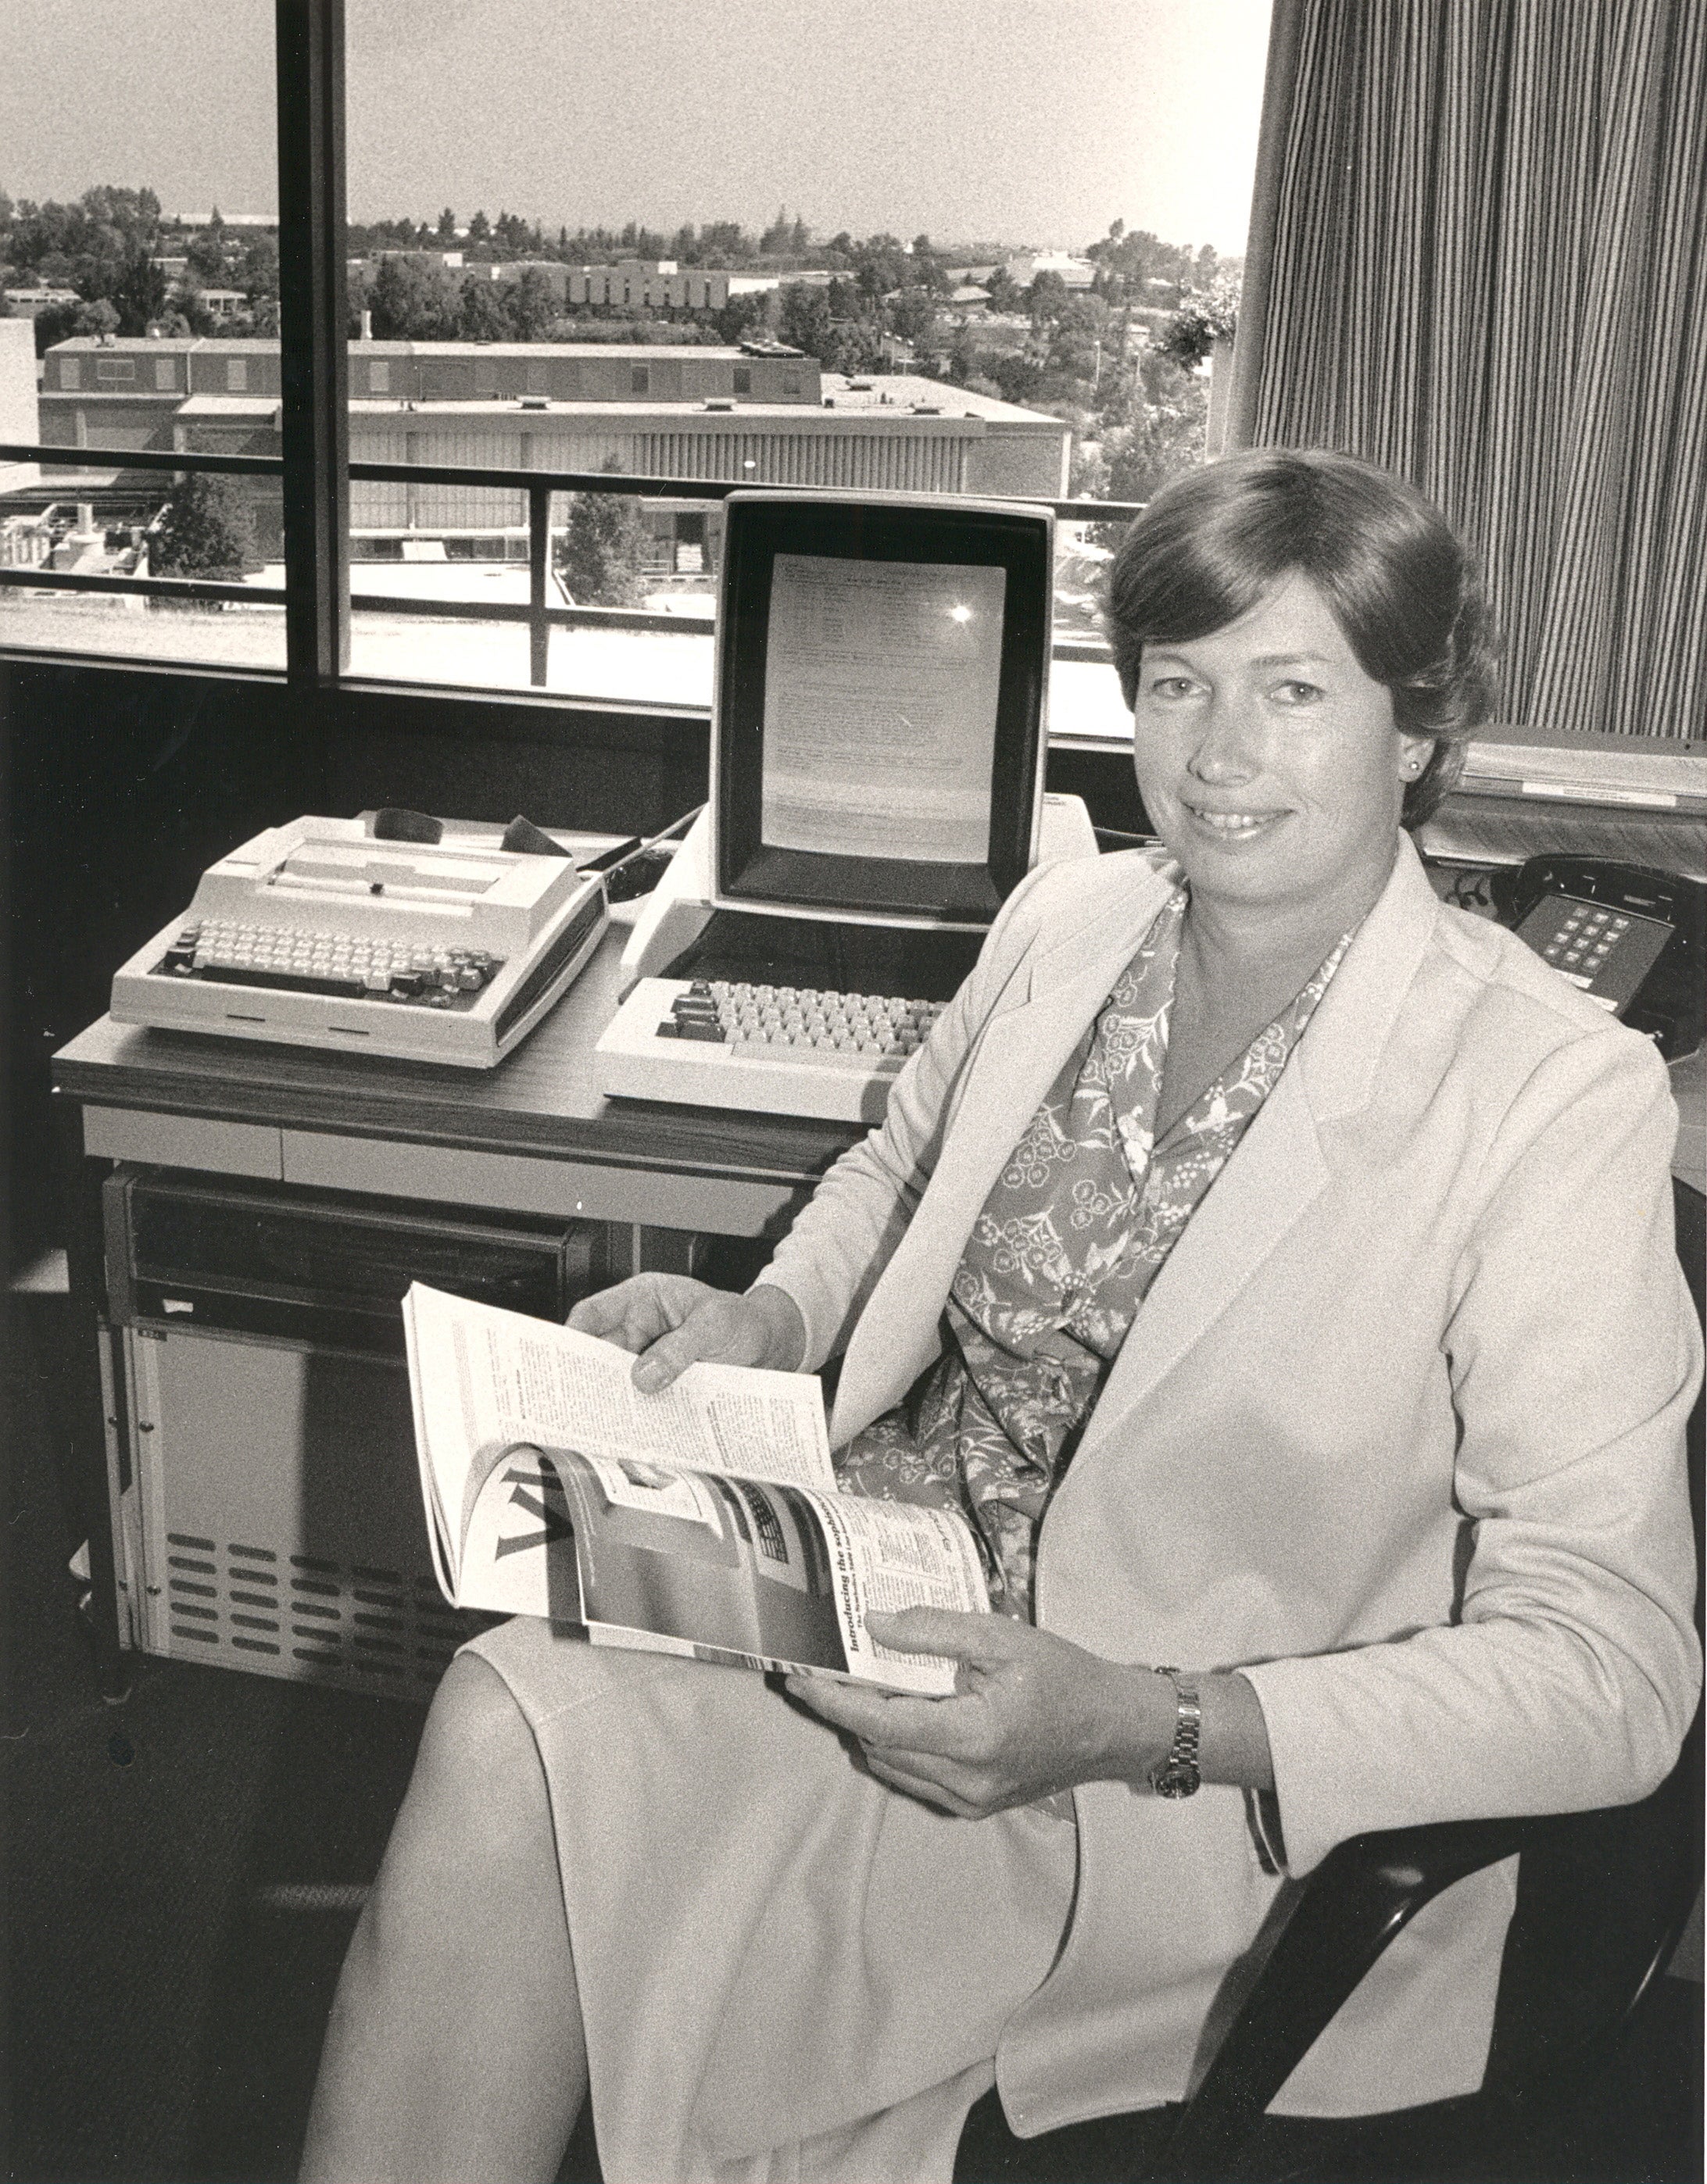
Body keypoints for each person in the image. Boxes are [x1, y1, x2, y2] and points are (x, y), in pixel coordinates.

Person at [299, 449, 1701, 2184]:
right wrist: (775, 1320)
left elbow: (1615, 1676)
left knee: (586, 1847)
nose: (1218, 754)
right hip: (879, 1607)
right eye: (1179, 686)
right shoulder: (1075, 915)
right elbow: (899, 1167)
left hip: (1160, 1784)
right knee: (501, 1717)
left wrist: (1151, 1720)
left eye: (1294, 691)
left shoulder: (1555, 1094)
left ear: (1417, 731)